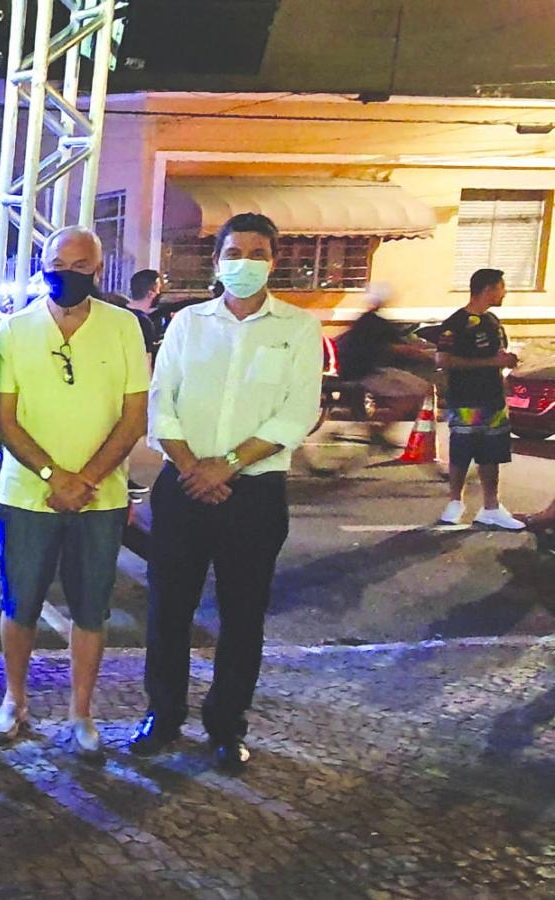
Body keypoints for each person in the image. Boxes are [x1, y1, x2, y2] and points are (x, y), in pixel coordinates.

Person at [131, 213, 323, 774]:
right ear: (217, 259)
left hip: (255, 494)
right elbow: (161, 403)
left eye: (256, 251)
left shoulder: (297, 328)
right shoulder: (188, 324)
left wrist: (229, 466)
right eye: (233, 251)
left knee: (243, 616)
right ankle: (162, 716)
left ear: (274, 259)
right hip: (183, 487)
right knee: (168, 609)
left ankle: (225, 726)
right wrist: (193, 467)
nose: (244, 262)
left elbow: (297, 412)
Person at [0, 228, 149, 756]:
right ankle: (14, 700)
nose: (69, 273)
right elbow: (4, 420)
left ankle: (82, 712)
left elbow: (133, 417)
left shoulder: (125, 328)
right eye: (58, 263)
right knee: (20, 604)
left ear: (98, 271)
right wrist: (55, 477)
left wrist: (88, 479)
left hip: (101, 499)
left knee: (90, 608)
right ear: (41, 263)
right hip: (28, 494)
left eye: (81, 265)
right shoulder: (12, 329)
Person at [436, 269, 524, 530]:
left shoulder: (493, 321)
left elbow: (498, 354)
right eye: (501, 287)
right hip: (465, 399)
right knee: (462, 450)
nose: (504, 292)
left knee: (492, 453)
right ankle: (455, 503)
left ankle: (492, 507)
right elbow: (444, 360)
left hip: (493, 399)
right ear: (487, 289)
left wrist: (506, 363)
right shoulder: (455, 324)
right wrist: (491, 362)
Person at [332, 289, 434, 426]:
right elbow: (398, 347)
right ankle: (378, 428)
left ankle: (378, 427)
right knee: (421, 391)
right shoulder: (376, 324)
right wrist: (428, 356)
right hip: (367, 373)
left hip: (356, 371)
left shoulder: (364, 321)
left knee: (402, 395)